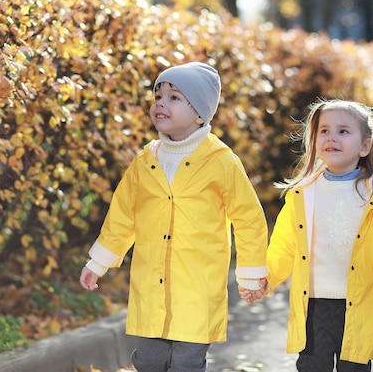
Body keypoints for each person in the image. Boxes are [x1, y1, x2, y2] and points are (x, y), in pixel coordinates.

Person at [79, 62, 268, 372]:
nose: (161, 103)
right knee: (149, 361)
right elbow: (123, 215)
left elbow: (248, 217)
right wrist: (98, 262)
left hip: (197, 286)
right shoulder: (144, 160)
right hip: (150, 284)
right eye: (158, 96)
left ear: (200, 114)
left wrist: (249, 272)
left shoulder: (221, 161)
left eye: (174, 97)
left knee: (186, 364)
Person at [240, 98, 373, 371]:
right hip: (312, 301)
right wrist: (268, 278)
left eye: (343, 131)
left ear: (365, 146)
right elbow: (284, 244)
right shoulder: (303, 193)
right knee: (311, 365)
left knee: (354, 365)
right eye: (324, 130)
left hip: (358, 300)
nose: (331, 137)